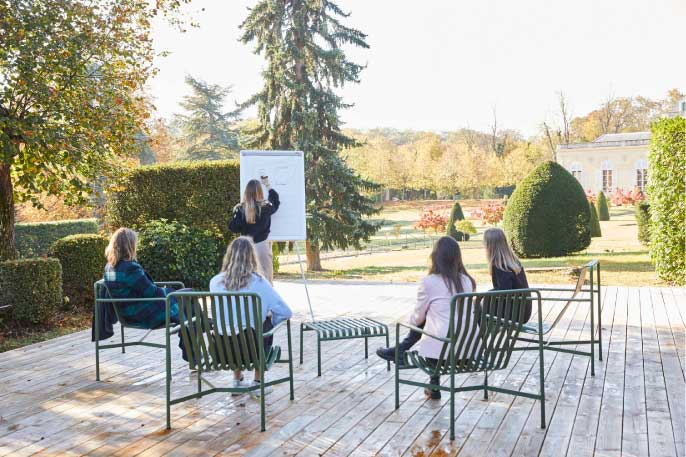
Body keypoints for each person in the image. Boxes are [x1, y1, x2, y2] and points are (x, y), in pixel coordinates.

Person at [376, 236, 477, 399]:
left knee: (430, 323)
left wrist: (411, 323)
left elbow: (417, 319)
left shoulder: (429, 282)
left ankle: (400, 350)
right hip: (469, 351)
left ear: (435, 257)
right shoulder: (468, 281)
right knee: (441, 320)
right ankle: (429, 382)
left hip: (441, 356)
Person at [209, 236, 293, 395]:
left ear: (229, 255)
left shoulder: (214, 282)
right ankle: (257, 381)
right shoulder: (259, 283)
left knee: (231, 327)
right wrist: (268, 319)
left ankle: (237, 380)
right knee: (263, 324)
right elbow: (285, 312)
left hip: (224, 349)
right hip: (252, 348)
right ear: (252, 257)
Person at [103, 228, 179, 329]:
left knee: (185, 299)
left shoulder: (109, 267)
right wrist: (170, 292)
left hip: (127, 313)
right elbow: (151, 292)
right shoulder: (130, 268)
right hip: (142, 314)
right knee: (186, 297)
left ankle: (194, 330)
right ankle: (195, 334)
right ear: (130, 245)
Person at [229, 177, 280, 284]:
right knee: (266, 279)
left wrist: (235, 214)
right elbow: (275, 200)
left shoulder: (240, 209)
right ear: (260, 192)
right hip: (262, 246)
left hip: (245, 247)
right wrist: (268, 185)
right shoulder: (266, 207)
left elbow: (233, 228)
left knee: (245, 278)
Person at [483, 227, 532, 323]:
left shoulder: (500, 266)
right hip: (523, 311)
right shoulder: (513, 261)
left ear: (490, 245)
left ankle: (476, 336)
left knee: (477, 310)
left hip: (514, 314)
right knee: (480, 307)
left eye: (485, 242)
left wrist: (485, 294)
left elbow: (504, 291)